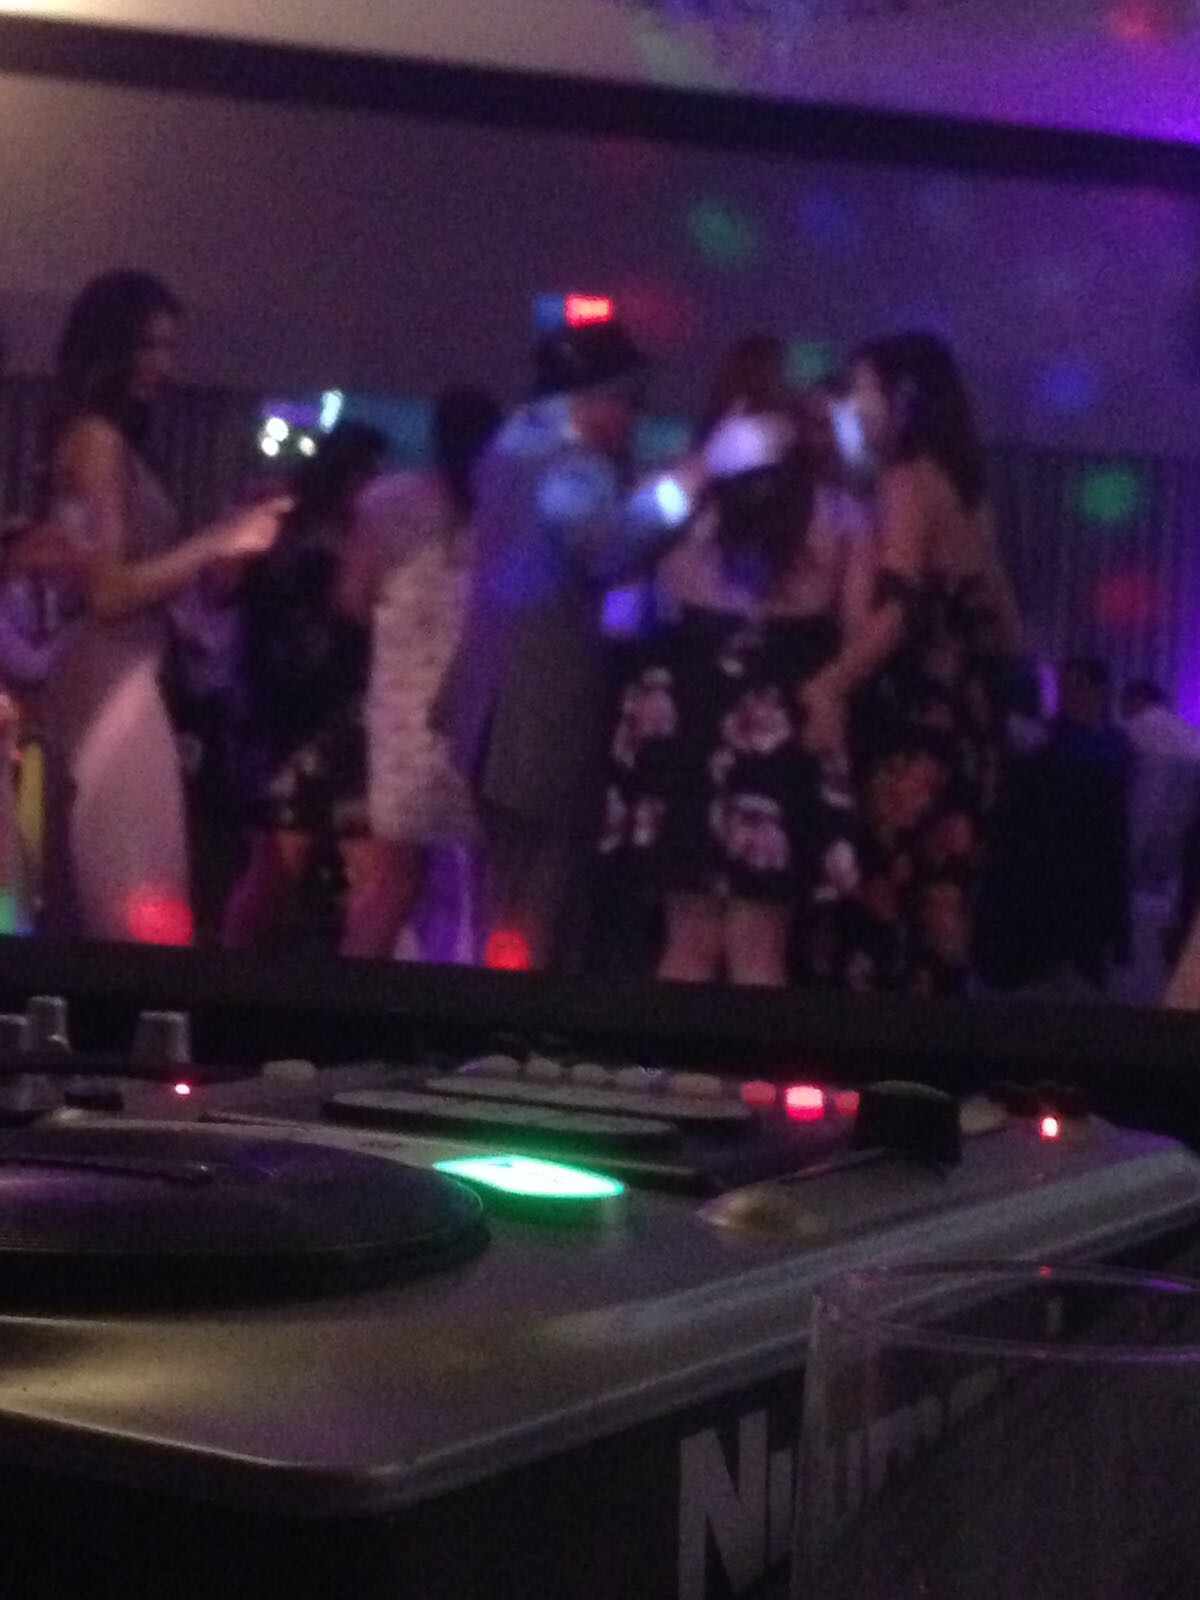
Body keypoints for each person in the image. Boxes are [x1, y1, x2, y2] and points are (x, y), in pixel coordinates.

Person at [434, 319, 715, 972]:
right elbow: (609, 549)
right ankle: (519, 1028)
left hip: (490, 711)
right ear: (596, 397)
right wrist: (688, 483)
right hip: (544, 719)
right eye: (631, 401)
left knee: (505, 901)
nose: (636, 419)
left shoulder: (510, 449)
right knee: (541, 902)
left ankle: (494, 1017)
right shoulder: (573, 466)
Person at [38, 270, 286, 943]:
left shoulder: (102, 439)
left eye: (170, 347)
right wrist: (215, 540)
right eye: (148, 346)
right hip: (110, 675)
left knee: (118, 902)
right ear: (108, 347)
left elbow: (129, 582)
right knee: (140, 907)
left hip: (116, 671)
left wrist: (226, 548)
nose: (163, 365)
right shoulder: (98, 441)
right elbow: (109, 593)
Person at [601, 402, 869, 988]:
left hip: (687, 699)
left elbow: (620, 546)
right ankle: (754, 1051)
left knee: (686, 939)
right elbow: (856, 629)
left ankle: (671, 1051)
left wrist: (703, 463)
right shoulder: (839, 513)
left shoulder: (691, 501)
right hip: (781, 706)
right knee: (761, 944)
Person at [802, 332, 1023, 995]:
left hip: (914, 720)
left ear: (902, 396)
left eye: (863, 388)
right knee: (940, 905)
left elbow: (900, 609)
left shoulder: (907, 479)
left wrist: (831, 685)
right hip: (966, 722)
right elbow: (1008, 628)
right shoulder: (963, 487)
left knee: (890, 899)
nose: (853, 403)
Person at [338, 388, 503, 961]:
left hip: (403, 708)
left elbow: (352, 598)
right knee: (482, 888)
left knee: (394, 882)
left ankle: (344, 1001)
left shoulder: (387, 501)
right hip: (478, 708)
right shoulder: (502, 508)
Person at [221, 422, 388, 952]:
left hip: (344, 713)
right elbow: (222, 587)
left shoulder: (361, 536)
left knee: (372, 875)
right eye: (367, 473)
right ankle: (227, 975)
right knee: (276, 869)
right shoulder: (283, 524)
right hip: (286, 716)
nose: (374, 485)